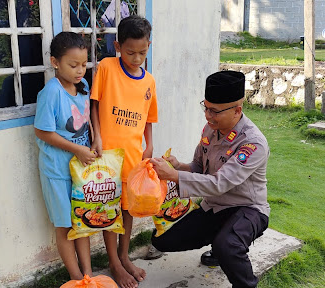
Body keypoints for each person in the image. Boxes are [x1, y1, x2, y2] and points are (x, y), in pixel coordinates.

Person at [149, 71, 271, 288]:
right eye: (205, 107)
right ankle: (222, 242)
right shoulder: (211, 129)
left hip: (247, 208)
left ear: (237, 110)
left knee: (228, 245)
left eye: (214, 111)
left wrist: (175, 176)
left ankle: (237, 267)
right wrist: (179, 166)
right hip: (214, 206)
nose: (207, 115)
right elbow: (199, 167)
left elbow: (218, 183)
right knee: (162, 240)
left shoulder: (252, 144)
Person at [90, 15, 157, 288]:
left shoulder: (149, 81)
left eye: (143, 52)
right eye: (130, 52)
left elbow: (148, 118)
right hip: (107, 156)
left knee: (127, 210)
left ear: (149, 45)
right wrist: (97, 137)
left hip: (133, 157)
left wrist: (149, 144)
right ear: (117, 46)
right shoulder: (106, 68)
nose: (137, 58)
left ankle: (124, 255)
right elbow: (94, 104)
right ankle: (114, 264)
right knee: (109, 209)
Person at [33, 32, 96, 281]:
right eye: (73, 65)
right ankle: (75, 278)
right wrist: (77, 149)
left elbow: (87, 118)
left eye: (84, 64)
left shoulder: (83, 87)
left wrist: (95, 140)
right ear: (55, 62)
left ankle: (89, 276)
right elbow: (42, 131)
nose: (80, 70)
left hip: (79, 171)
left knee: (82, 222)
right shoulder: (51, 92)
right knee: (66, 226)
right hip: (57, 172)